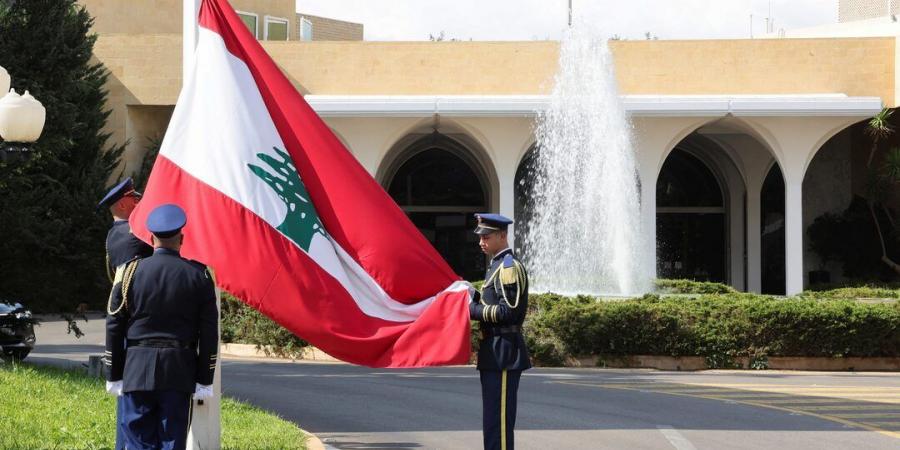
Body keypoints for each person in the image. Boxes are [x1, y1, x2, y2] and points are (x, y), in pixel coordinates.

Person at [104, 204, 218, 450]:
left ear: (151, 239)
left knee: (137, 443)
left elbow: (114, 322)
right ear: (182, 239)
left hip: (135, 370)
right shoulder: (199, 276)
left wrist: (114, 372)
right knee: (172, 442)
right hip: (179, 370)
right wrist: (204, 379)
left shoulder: (130, 273)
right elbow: (209, 332)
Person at [97, 177, 153, 450]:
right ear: (123, 203)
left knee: (132, 417)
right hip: (135, 326)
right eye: (135, 198)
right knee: (135, 417)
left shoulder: (121, 233)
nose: (140, 202)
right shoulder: (129, 236)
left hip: (131, 325)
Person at [468, 213, 531, 450]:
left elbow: (508, 312)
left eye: (487, 236)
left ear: (502, 236)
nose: (481, 241)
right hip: (494, 351)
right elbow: (491, 300)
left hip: (504, 351)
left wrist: (472, 309)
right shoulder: (495, 265)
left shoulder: (508, 268)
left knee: (500, 424)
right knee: (493, 422)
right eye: (480, 236)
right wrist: (471, 294)